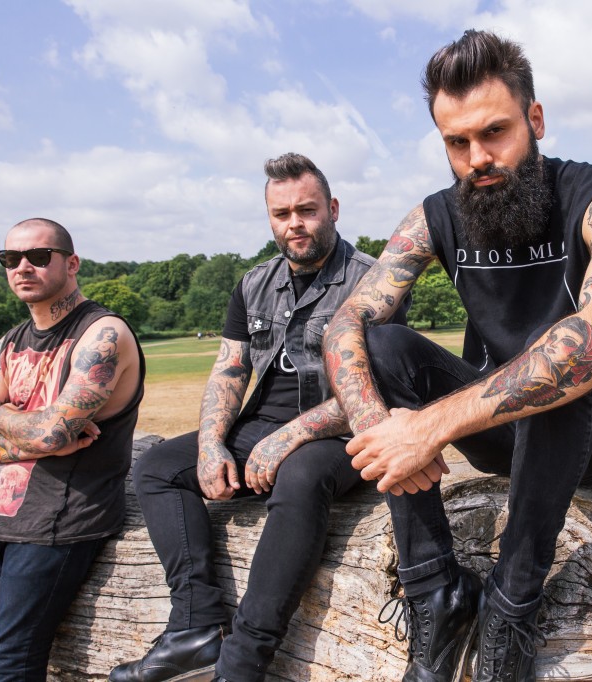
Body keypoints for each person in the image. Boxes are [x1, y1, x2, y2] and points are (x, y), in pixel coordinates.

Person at [323, 30, 592, 682]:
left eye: (495, 133)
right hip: (498, 432)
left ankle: (511, 604)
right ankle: (434, 592)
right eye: (457, 143)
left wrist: (428, 427)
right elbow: (347, 322)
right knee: (381, 345)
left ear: (535, 119)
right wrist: (381, 430)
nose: (478, 158)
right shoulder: (435, 216)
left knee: (565, 349)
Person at [110, 153, 405, 682]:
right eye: (281, 213)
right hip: (261, 429)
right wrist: (211, 444)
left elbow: (376, 389)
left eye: (307, 210)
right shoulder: (254, 283)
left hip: (341, 431)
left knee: (301, 472)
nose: (295, 224)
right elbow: (229, 370)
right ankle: (195, 626)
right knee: (156, 467)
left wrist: (290, 436)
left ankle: (243, 660)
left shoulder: (372, 281)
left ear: (333, 209)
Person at [0, 218, 145, 681]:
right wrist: (33, 436)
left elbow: (50, 434)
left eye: (38, 256)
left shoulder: (102, 333)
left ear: (72, 263)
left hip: (59, 524)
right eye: (10, 258)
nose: (22, 267)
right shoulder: (10, 342)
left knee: (10, 667)